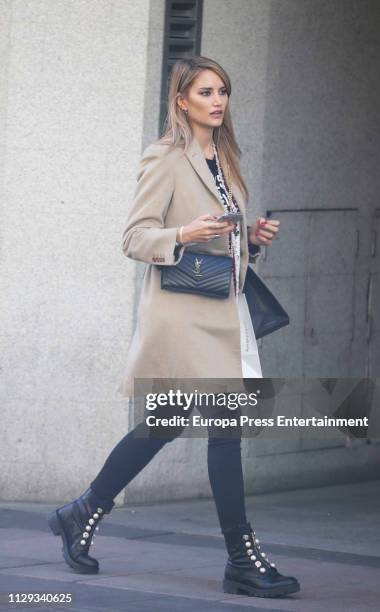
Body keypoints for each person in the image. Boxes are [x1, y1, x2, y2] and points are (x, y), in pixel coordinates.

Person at [48, 56, 300, 599]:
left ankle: (83, 510)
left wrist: (251, 239)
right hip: (186, 316)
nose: (218, 100)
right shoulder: (165, 158)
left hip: (223, 312)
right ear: (182, 99)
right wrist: (182, 231)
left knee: (163, 423)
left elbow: (225, 239)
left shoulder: (226, 158)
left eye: (224, 91)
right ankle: (241, 558)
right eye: (206, 91)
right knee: (224, 431)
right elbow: (135, 238)